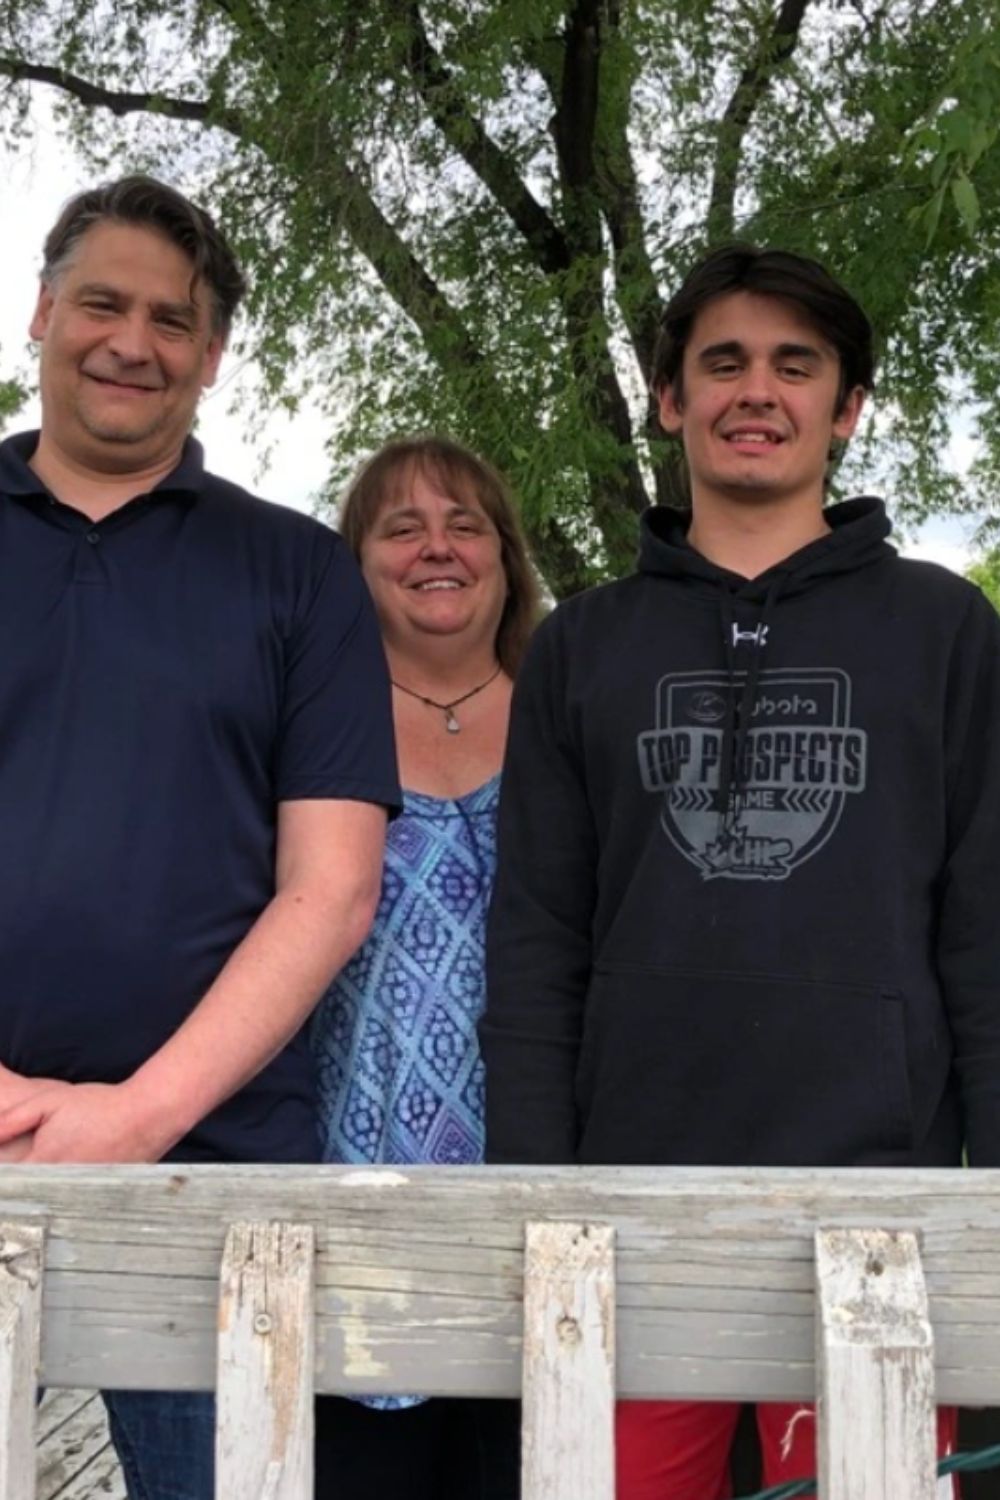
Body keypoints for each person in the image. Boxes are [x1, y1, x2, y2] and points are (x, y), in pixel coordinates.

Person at [480, 244, 1000, 1498]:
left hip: (882, 1211)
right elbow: (540, 940)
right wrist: (539, 1203)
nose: (754, 390)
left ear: (846, 405)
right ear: (670, 399)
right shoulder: (582, 648)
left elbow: (985, 934)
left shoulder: (944, 633)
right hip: (630, 1210)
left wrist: (986, 1207)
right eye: (721, 362)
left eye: (793, 364)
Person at [0, 175, 400, 1499]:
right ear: (43, 313)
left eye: (173, 320)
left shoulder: (298, 573)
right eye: (101, 304)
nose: (133, 341)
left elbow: (333, 890)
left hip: (208, 1184)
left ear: (212, 356)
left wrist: (133, 1116)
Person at [310, 436, 539, 1500]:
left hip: (549, 1198)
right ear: (356, 563)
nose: (435, 547)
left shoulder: (569, 710)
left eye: (463, 523)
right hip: (353, 1198)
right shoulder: (308, 724)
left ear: (505, 553)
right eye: (400, 527)